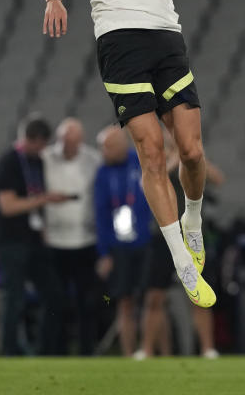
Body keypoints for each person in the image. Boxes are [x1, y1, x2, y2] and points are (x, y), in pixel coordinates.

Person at [42, 0, 228, 308]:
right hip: (119, 45)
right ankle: (183, 264)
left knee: (191, 150)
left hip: (166, 41)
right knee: (150, 152)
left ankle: (194, 219)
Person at [137, 132, 227, 360]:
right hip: (162, 237)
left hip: (192, 237)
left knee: (199, 294)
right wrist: (173, 161)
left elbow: (217, 178)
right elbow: (146, 184)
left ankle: (207, 348)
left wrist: (189, 160)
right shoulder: (157, 159)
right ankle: (146, 349)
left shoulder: (192, 156)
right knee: (155, 296)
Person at [0, 117, 70, 355]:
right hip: (11, 242)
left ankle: (46, 350)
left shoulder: (36, 162)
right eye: (40, 144)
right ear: (32, 139)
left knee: (54, 295)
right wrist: (44, 199)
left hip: (34, 239)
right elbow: (7, 206)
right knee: (14, 298)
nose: (42, 150)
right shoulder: (8, 162)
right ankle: (9, 351)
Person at [42, 117, 103, 355]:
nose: (71, 146)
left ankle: (87, 350)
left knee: (86, 302)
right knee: (55, 302)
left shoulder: (93, 160)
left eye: (75, 142)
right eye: (67, 141)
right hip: (54, 242)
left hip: (85, 241)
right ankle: (55, 350)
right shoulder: (45, 159)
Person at [93, 125, 153, 357]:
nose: (103, 153)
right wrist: (104, 253)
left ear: (121, 144)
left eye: (107, 147)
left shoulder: (140, 161)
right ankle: (129, 354)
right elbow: (100, 214)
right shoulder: (102, 173)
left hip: (146, 241)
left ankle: (154, 352)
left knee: (153, 299)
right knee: (124, 301)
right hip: (119, 247)